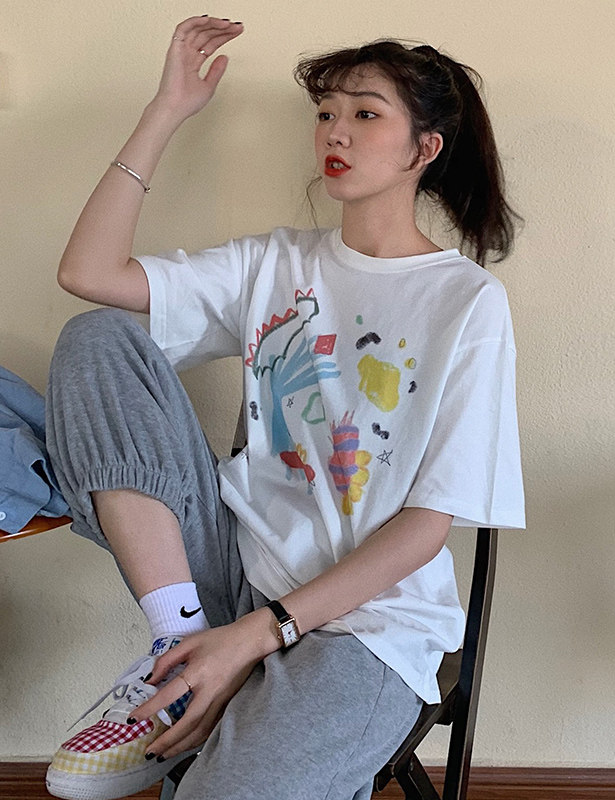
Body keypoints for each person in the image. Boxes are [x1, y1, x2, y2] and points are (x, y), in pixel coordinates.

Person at [44, 15, 525, 800]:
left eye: (365, 113)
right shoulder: (273, 264)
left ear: (423, 150)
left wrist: (260, 637)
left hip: (367, 623)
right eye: (326, 112)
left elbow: (426, 526)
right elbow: (89, 272)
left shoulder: (465, 302)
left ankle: (226, 684)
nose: (335, 130)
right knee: (97, 337)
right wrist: (166, 111)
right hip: (231, 576)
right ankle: (178, 642)